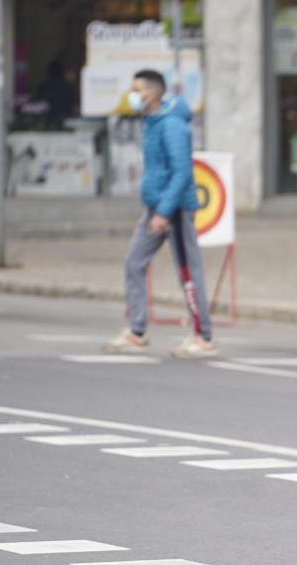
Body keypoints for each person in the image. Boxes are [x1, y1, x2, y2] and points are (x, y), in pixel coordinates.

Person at [102, 69, 217, 358]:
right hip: (156, 207)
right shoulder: (152, 122)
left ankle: (203, 336)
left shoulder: (172, 126)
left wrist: (164, 212)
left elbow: (181, 173)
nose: (133, 96)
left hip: (174, 208)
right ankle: (137, 330)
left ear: (153, 93)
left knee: (188, 273)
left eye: (137, 90)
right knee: (133, 262)